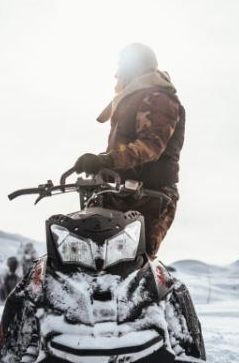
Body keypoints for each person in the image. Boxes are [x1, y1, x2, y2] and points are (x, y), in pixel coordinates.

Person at [74, 43, 185, 257]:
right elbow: (123, 151)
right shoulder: (133, 99)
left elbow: (150, 146)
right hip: (119, 192)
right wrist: (100, 168)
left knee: (132, 262)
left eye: (121, 67)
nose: (116, 74)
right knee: (86, 254)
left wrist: (105, 161)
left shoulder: (158, 98)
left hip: (150, 197)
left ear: (134, 68)